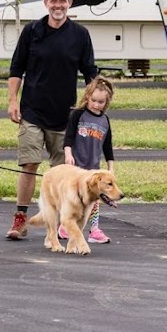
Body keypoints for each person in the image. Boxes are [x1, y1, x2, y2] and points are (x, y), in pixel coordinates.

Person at [5, 0, 98, 240]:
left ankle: (61, 222)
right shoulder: (32, 31)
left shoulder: (80, 34)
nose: (58, 5)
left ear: (69, 3)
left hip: (65, 114)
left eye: (62, 0)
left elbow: (90, 71)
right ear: (46, 3)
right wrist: (12, 100)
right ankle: (20, 219)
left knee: (62, 172)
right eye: (53, 0)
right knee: (29, 164)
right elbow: (16, 68)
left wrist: (92, 104)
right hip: (32, 111)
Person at [62, 75, 116, 244]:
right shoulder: (78, 115)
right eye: (93, 100)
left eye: (101, 102)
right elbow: (68, 138)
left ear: (106, 102)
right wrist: (68, 154)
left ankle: (94, 230)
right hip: (76, 166)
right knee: (74, 198)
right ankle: (66, 224)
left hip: (93, 168)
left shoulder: (105, 121)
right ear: (87, 97)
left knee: (94, 199)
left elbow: (107, 146)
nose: (96, 105)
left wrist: (110, 166)